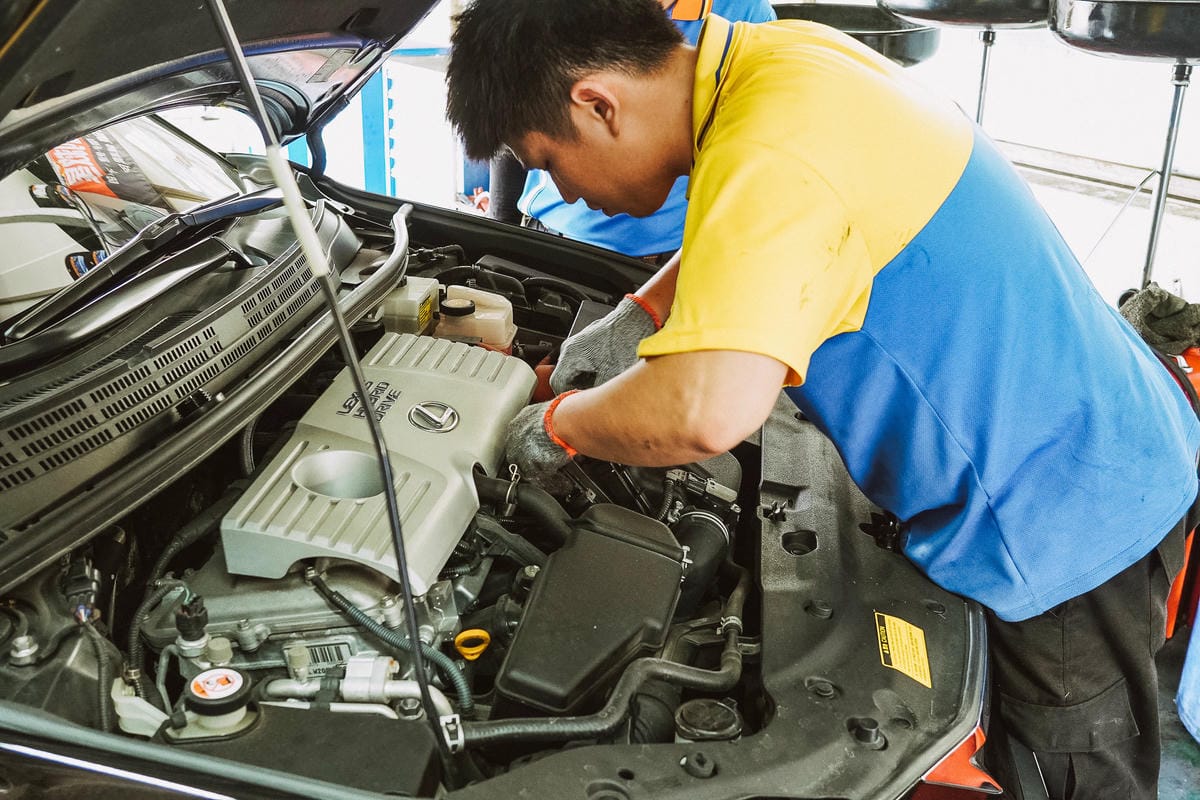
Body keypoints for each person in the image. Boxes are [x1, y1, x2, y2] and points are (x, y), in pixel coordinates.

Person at [445, 2, 1200, 798]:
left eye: (544, 160)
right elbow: (756, 232)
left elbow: (707, 411)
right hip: (1084, 449)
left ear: (598, 103)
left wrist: (558, 427)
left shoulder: (773, 147)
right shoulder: (777, 68)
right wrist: (640, 318)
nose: (556, 189)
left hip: (1065, 523)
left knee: (1070, 775)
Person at [488, 0, 775, 261]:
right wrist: (498, 233)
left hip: (675, 254)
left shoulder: (747, 15)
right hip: (556, 238)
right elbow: (518, 118)